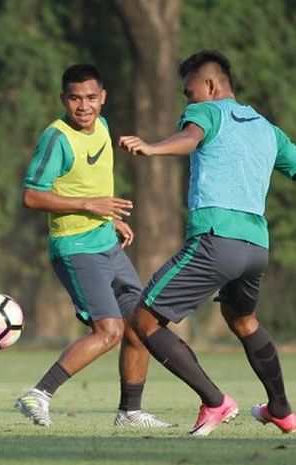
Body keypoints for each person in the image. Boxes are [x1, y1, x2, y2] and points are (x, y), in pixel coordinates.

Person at [118, 50, 296, 436]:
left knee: (143, 320)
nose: (188, 101)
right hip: (256, 248)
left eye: (189, 92)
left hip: (217, 239)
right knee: (242, 319)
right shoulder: (267, 129)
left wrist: (152, 147)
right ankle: (281, 409)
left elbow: (188, 138)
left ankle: (215, 402)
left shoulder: (208, 112)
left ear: (211, 86)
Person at [15, 64, 171, 428]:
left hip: (107, 243)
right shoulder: (56, 138)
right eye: (74, 98)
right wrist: (90, 207)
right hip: (75, 247)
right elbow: (31, 196)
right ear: (63, 99)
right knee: (109, 331)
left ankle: (130, 412)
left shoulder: (102, 126)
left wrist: (109, 218)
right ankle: (38, 394)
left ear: (102, 97)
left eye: (90, 97)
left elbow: (87, 185)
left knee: (140, 324)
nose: (83, 106)